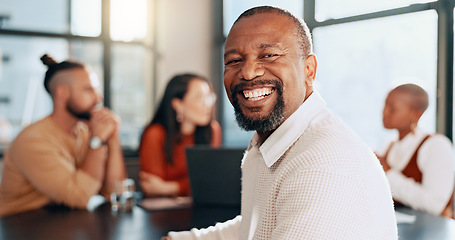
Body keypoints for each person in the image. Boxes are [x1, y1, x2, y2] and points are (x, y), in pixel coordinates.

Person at [165, 6, 397, 240]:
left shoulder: (322, 165)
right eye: (234, 60)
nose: (248, 72)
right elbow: (255, 227)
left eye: (268, 55)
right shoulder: (272, 139)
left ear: (309, 70)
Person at [0, 54, 127, 217]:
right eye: (89, 89)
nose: (99, 97)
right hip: (18, 226)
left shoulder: (85, 131)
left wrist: (113, 136)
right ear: (63, 93)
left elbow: (114, 192)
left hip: (61, 221)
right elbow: (80, 197)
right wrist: (97, 141)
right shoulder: (32, 141)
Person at [378, 83, 455, 218]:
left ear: (416, 115)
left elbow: (436, 205)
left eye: (392, 109)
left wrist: (387, 173)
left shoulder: (436, 145)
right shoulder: (390, 146)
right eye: (384, 106)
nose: (384, 113)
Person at [139, 73, 222, 197]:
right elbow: (151, 187)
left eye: (209, 98)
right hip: (163, 211)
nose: (208, 105)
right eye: (200, 99)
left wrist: (169, 187)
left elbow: (211, 181)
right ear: (178, 104)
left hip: (202, 206)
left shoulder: (212, 130)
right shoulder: (155, 133)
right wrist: (191, 186)